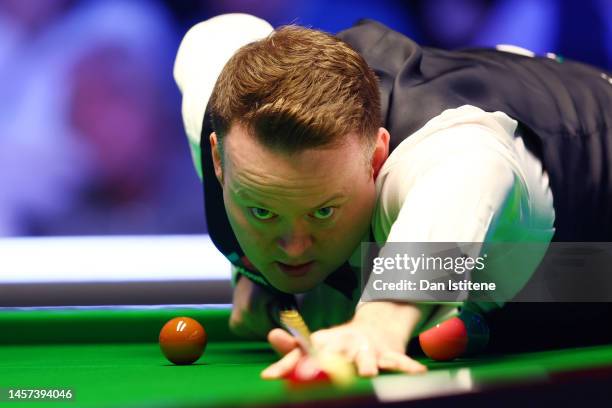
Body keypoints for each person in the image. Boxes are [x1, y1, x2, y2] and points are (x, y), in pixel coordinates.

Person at [174, 14, 612, 378]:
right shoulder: (223, 119)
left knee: (523, 285)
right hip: (494, 82)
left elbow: (469, 171)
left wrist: (380, 319)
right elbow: (214, 36)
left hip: (587, 179)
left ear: (376, 156)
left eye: (324, 210)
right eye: (262, 211)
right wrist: (254, 276)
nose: (293, 245)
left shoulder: (439, 154)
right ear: (217, 158)